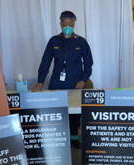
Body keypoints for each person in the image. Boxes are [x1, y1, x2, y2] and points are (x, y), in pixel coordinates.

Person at [32, 11, 93, 148]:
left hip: (75, 82)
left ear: (74, 25)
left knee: (75, 111)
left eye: (70, 24)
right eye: (65, 24)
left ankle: (73, 136)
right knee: (57, 110)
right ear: (60, 24)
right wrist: (40, 81)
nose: (67, 27)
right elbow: (45, 62)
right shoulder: (54, 41)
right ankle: (58, 136)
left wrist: (83, 80)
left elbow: (88, 64)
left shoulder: (81, 42)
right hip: (56, 82)